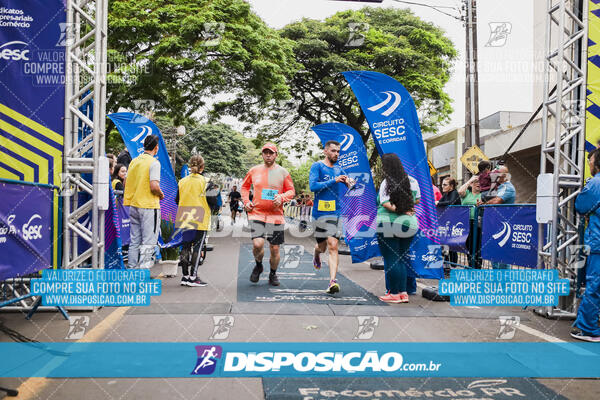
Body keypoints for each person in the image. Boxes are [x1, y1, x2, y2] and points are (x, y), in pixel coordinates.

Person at [241, 143, 295, 286]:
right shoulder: (254, 170)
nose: (268, 155)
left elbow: (291, 191)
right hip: (256, 213)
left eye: (271, 153)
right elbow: (245, 187)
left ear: (276, 155)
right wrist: (246, 201)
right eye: (265, 153)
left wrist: (281, 198)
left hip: (275, 216)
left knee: (275, 248)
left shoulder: (283, 172)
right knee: (258, 244)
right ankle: (259, 266)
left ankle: (273, 274)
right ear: (262, 154)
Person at [309, 140, 355, 294]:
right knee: (321, 247)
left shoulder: (340, 169)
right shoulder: (317, 166)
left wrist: (350, 183)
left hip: (335, 213)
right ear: (326, 151)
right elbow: (313, 186)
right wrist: (333, 180)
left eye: (338, 151)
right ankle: (316, 253)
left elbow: (350, 184)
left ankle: (332, 282)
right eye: (334, 151)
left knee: (333, 245)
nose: (336, 154)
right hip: (319, 214)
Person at [376, 154, 419, 304]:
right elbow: (417, 200)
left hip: (388, 224)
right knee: (400, 259)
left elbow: (385, 203)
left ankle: (394, 293)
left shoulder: (386, 182)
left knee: (392, 259)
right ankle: (403, 293)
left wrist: (400, 209)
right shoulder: (413, 181)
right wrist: (407, 209)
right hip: (410, 224)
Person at [572, 148, 600, 342]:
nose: (589, 164)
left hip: (597, 243)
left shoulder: (596, 183)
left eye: (590, 160)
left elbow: (581, 206)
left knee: (594, 285)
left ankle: (587, 328)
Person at [123, 135, 164, 269]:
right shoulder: (154, 163)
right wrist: (161, 194)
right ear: (156, 148)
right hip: (149, 206)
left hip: (134, 205)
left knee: (134, 241)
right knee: (148, 242)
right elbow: (154, 186)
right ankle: (142, 276)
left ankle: (132, 272)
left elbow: (125, 182)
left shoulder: (134, 161)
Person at [175, 155, 211, 287]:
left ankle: (184, 276)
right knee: (197, 247)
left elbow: (177, 200)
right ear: (203, 167)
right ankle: (193, 276)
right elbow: (213, 202)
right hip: (200, 216)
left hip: (184, 215)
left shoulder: (182, 181)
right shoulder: (207, 182)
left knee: (185, 246)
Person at [458, 175, 482, 268]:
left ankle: (477, 268)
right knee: (469, 246)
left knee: (477, 248)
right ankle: (470, 266)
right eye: (476, 182)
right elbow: (460, 191)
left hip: (478, 223)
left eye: (480, 182)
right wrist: (470, 180)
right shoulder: (467, 193)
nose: (478, 184)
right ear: (472, 184)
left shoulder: (482, 194)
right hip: (466, 223)